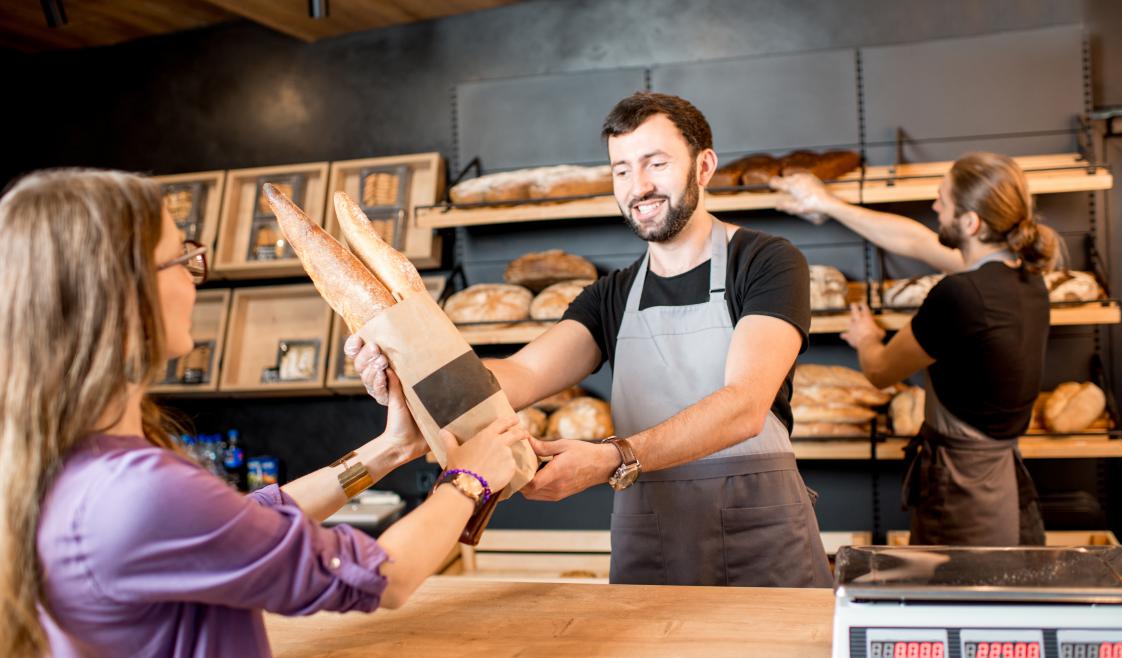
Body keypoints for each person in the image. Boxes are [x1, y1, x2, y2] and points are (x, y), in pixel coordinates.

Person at [0, 169, 528, 658]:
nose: (194, 277)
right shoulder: (136, 492)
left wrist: (390, 449)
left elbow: (235, 523)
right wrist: (468, 479)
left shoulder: (75, 462)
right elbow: (380, 578)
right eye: (181, 258)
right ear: (121, 290)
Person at [352, 91, 833, 587]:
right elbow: (523, 374)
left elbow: (745, 405)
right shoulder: (612, 295)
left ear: (704, 166)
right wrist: (409, 369)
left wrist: (612, 457)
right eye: (621, 170)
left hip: (759, 533)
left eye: (656, 163)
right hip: (653, 535)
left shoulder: (765, 261)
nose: (638, 186)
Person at [770, 152, 1057, 546]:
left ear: (971, 223)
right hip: (1003, 479)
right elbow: (916, 241)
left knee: (953, 595)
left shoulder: (960, 295)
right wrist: (827, 203)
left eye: (943, 199)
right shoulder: (1028, 281)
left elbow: (881, 371)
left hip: (960, 486)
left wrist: (866, 336)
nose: (935, 206)